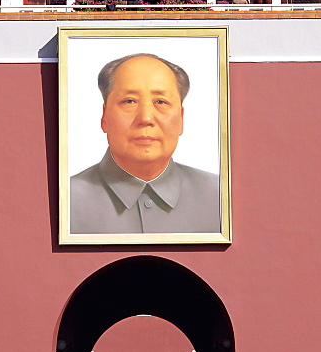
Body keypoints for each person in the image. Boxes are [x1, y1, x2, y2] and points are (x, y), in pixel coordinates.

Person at [69, 53, 220, 235]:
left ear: (181, 119)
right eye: (129, 101)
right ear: (104, 117)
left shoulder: (222, 197)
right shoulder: (66, 200)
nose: (146, 118)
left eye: (160, 102)